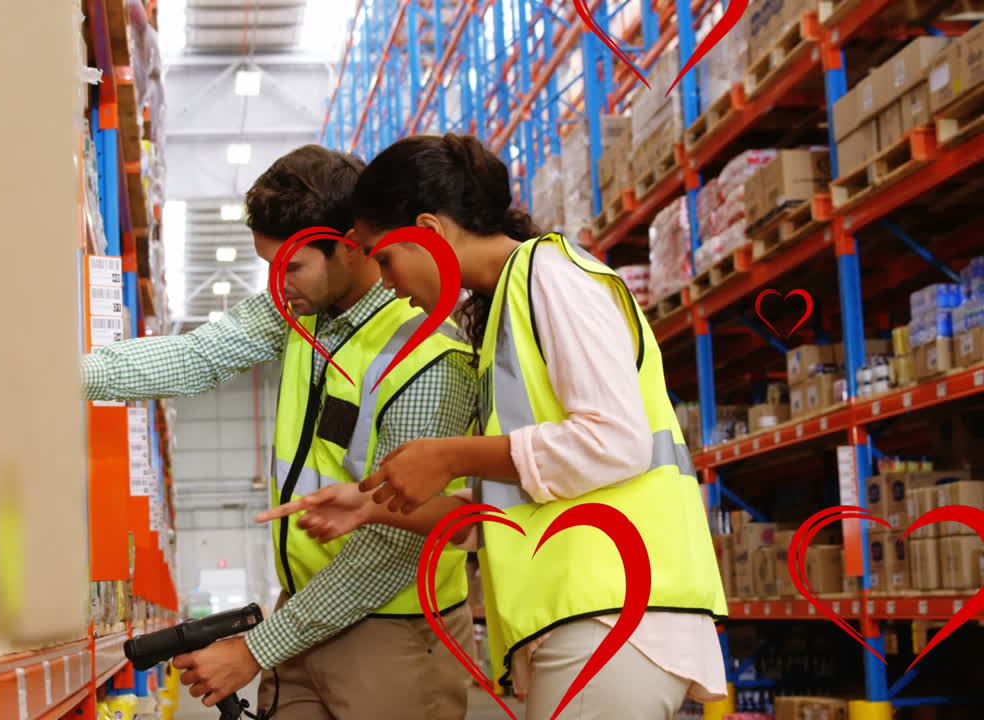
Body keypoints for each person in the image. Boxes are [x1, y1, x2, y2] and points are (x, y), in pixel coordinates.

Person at [256, 134, 729, 720]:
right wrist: (372, 503)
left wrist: (453, 454)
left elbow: (615, 442)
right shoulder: (505, 308)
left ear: (430, 231)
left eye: (384, 257)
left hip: (616, 608)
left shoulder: (551, 276)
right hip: (588, 612)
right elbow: (504, 504)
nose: (389, 282)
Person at [81, 144, 478, 719]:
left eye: (292, 265)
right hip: (305, 618)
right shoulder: (302, 311)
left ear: (350, 247)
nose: (279, 284)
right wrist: (58, 377)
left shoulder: (427, 354)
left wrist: (255, 648)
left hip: (392, 635)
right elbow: (197, 356)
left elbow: (396, 543)